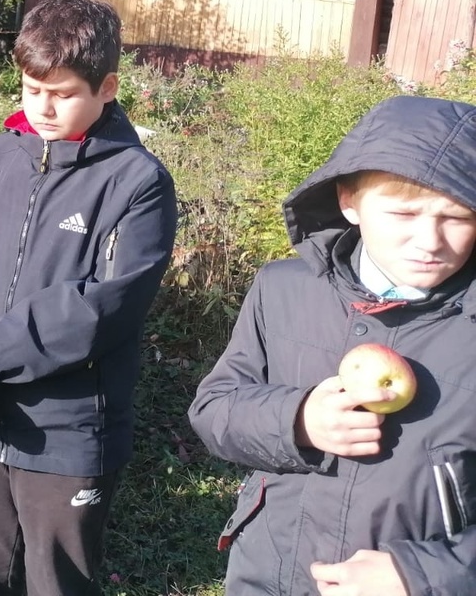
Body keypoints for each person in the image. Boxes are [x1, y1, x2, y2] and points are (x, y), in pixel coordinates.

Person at [0, 0, 178, 596]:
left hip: (66, 431)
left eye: (63, 95)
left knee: (57, 582)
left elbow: (97, 308)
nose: (43, 108)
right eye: (32, 90)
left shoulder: (136, 183)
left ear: (107, 88)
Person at [188, 94, 476, 596]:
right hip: (270, 573)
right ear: (349, 201)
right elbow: (214, 409)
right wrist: (296, 419)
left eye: (457, 217)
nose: (430, 241)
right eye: (403, 214)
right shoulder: (283, 288)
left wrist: (426, 574)